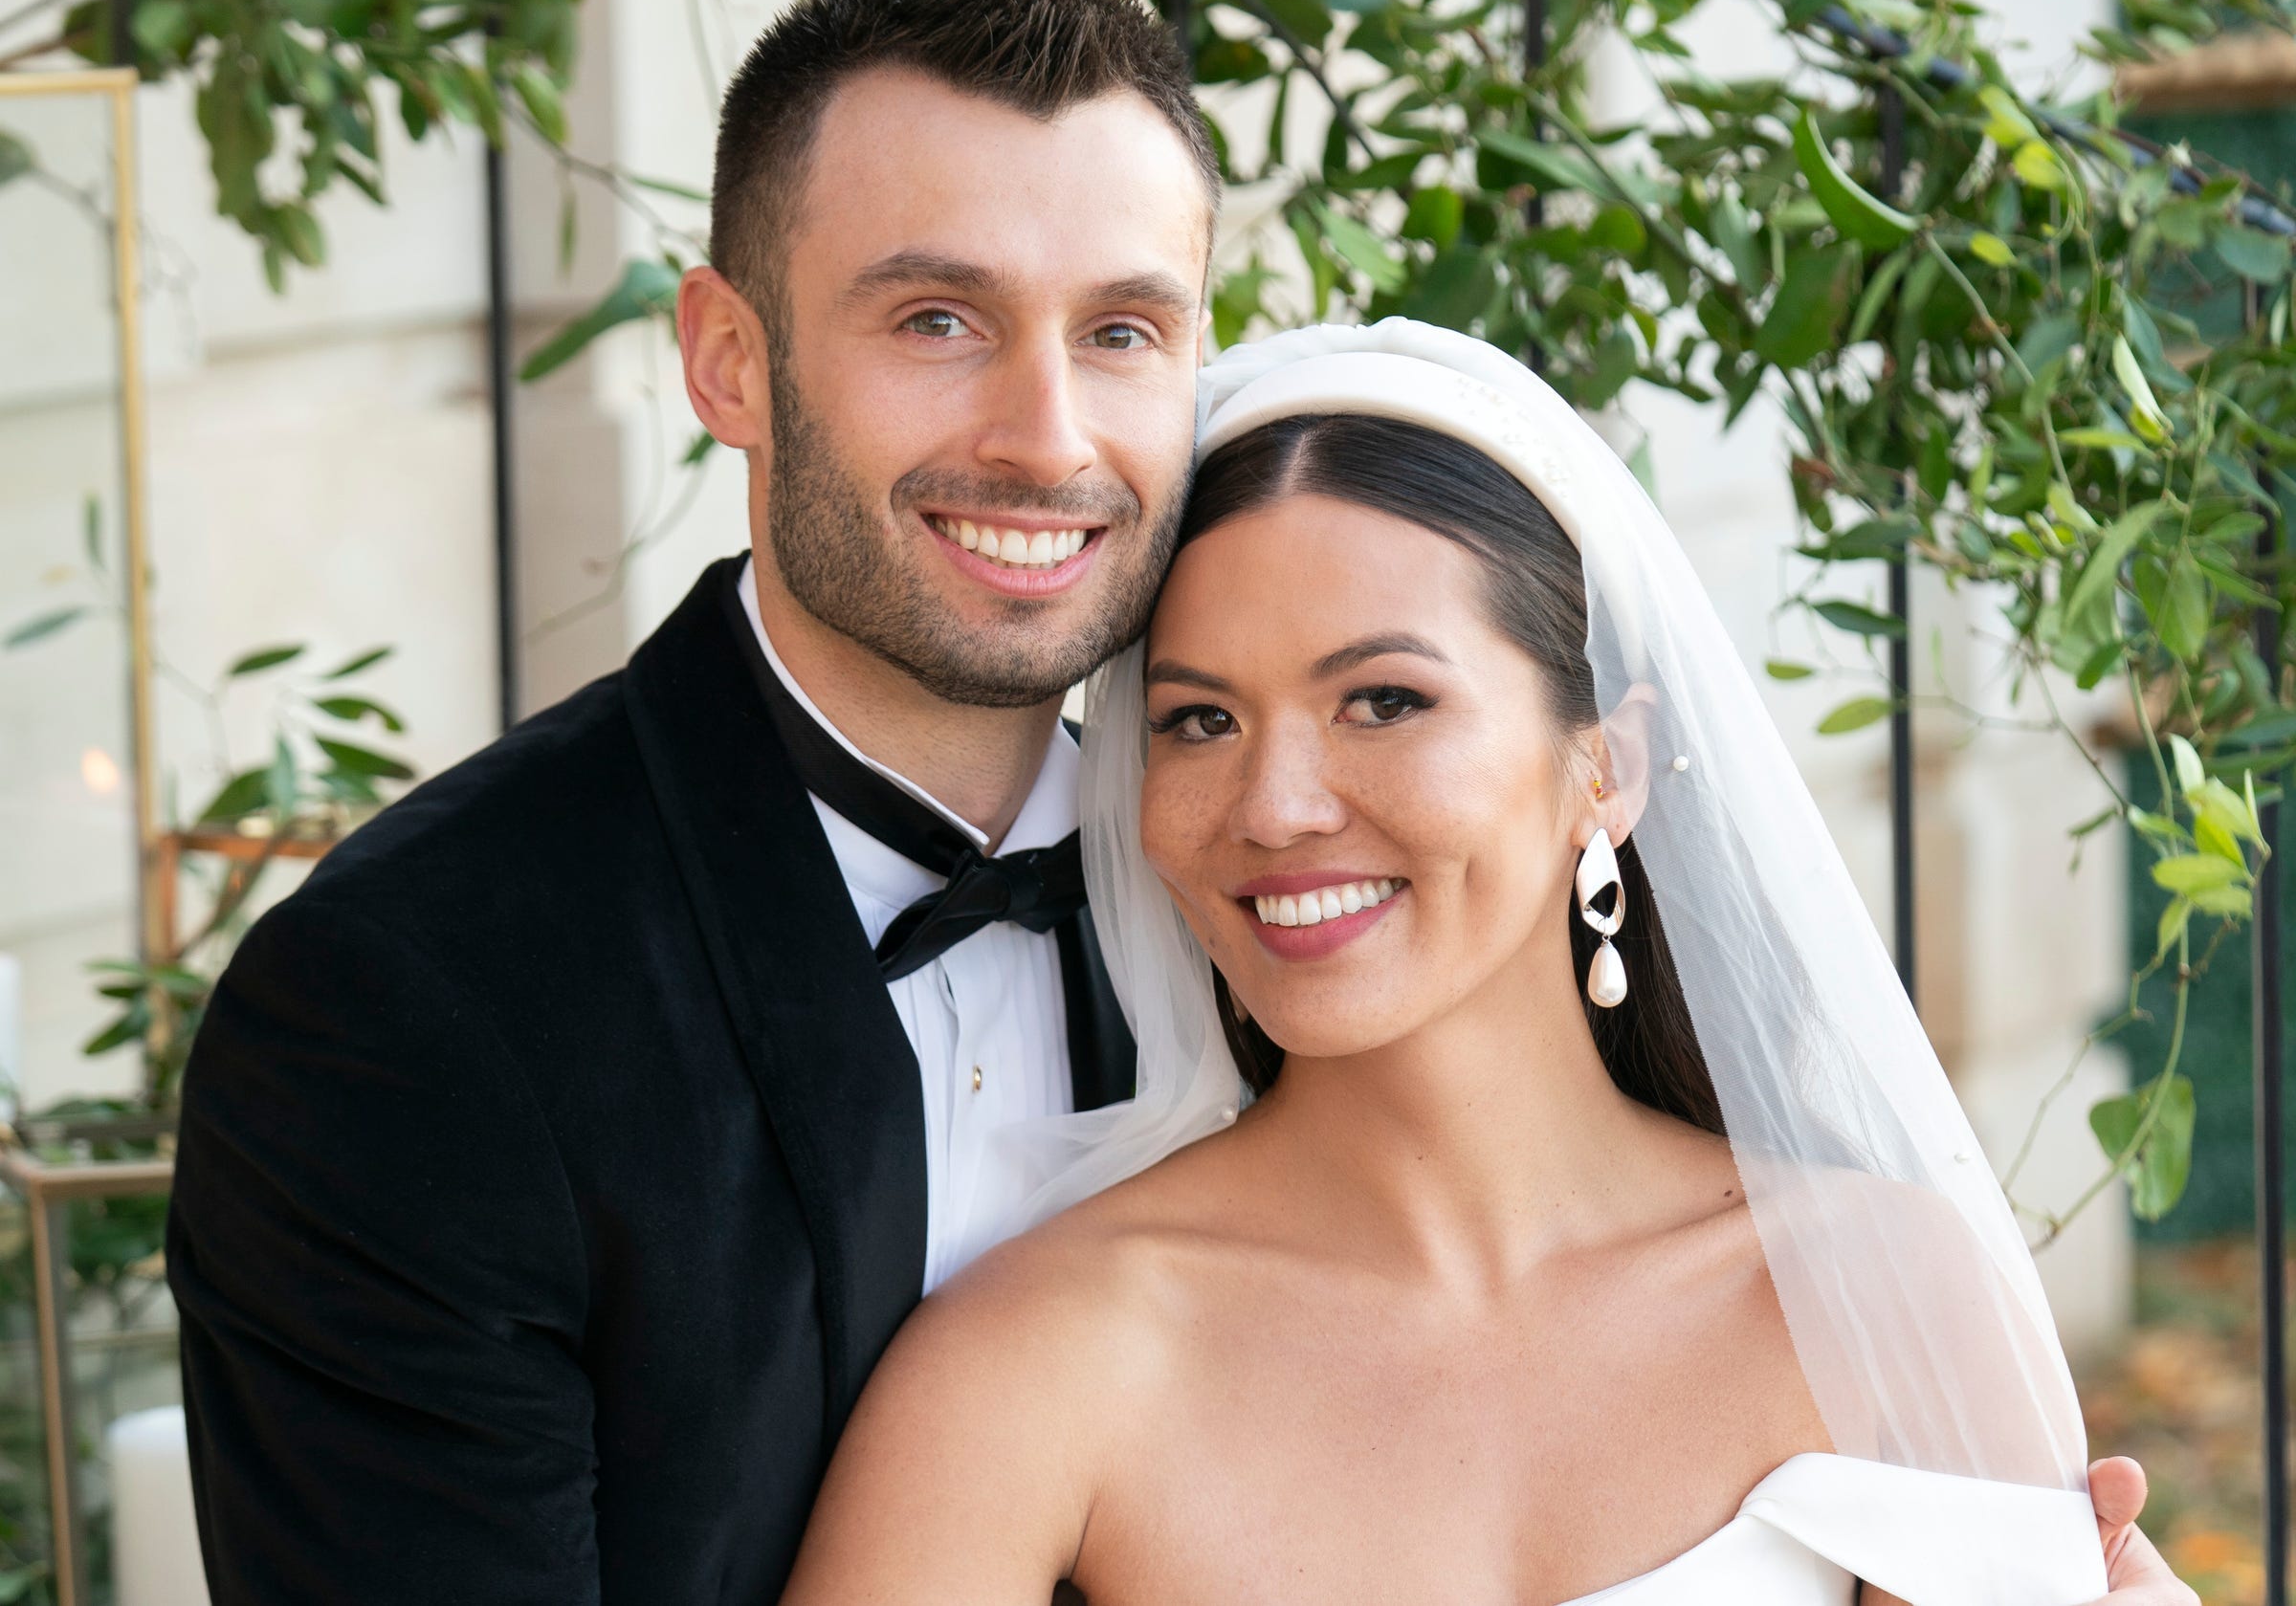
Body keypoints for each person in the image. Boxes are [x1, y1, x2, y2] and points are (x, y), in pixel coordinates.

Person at [781, 320, 2199, 1606]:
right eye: (1201, 721)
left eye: (1384, 700)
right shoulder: (1037, 1365)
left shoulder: (1877, 1293)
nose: (1275, 807)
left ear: (1607, 766)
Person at [165, 0, 1215, 1601]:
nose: (1048, 436)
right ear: (728, 359)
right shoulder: (402, 1008)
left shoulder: (1255, 919)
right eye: (938, 320)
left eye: (1124, 330)